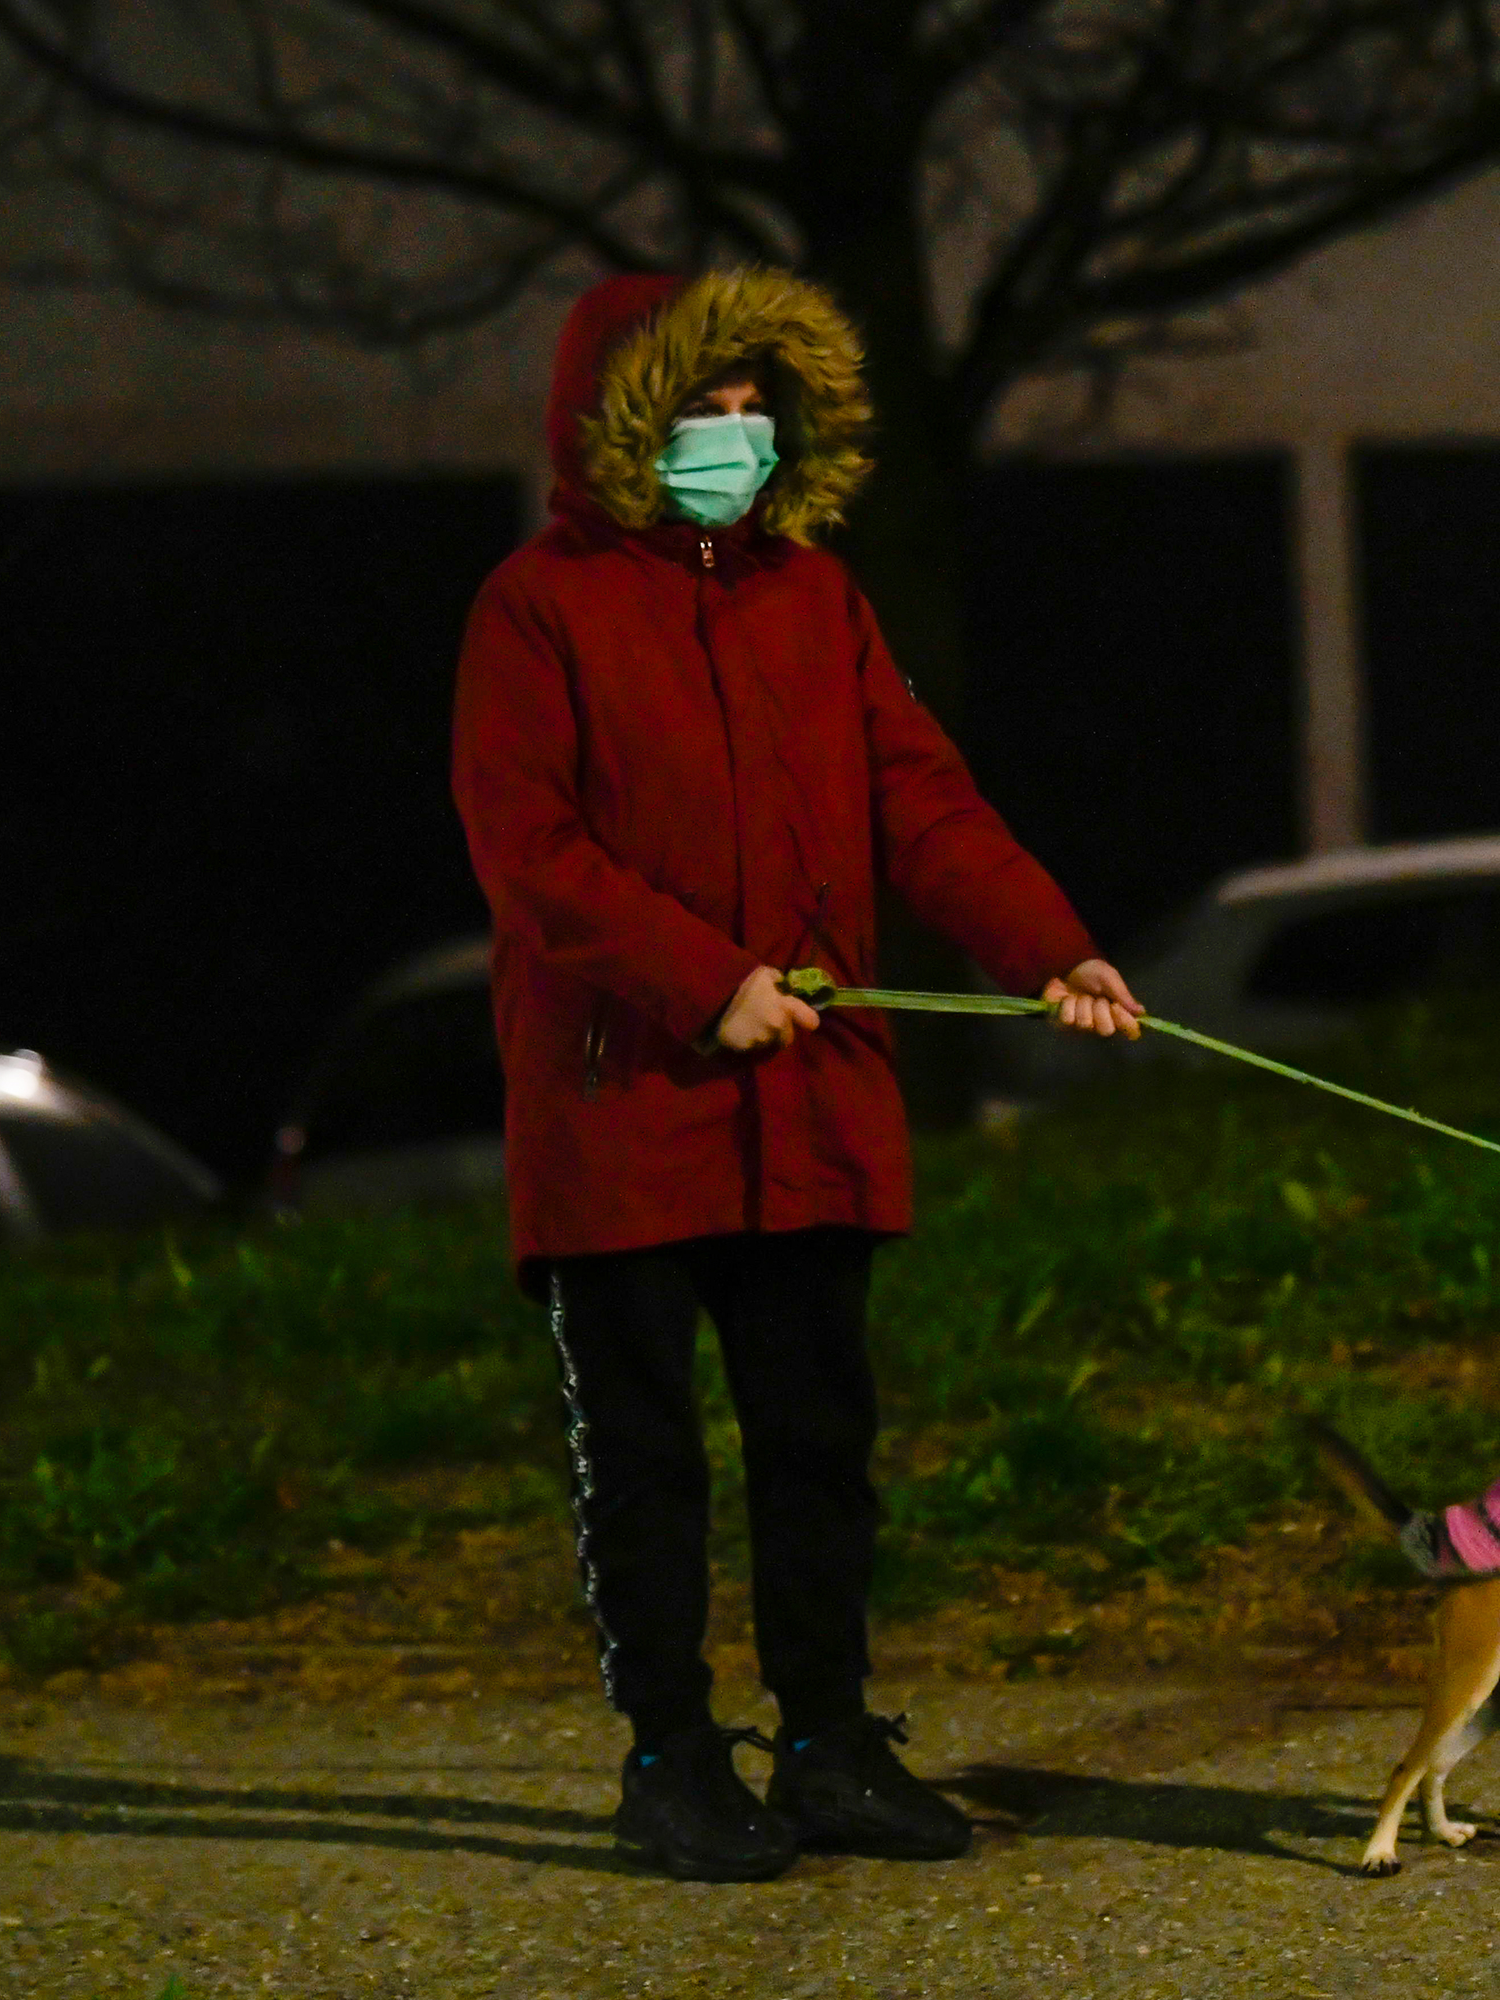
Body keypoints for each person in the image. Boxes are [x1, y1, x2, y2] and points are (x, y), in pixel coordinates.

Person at [452, 266, 1142, 1882]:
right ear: (626, 418)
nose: (739, 437)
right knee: (646, 1461)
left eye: (759, 409)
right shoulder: (537, 607)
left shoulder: (818, 600)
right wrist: (705, 985)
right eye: (708, 407)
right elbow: (530, 848)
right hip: (624, 1107)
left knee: (818, 1441)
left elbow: (924, 802)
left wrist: (1047, 948)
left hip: (809, 1107)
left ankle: (829, 1741)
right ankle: (670, 1758)